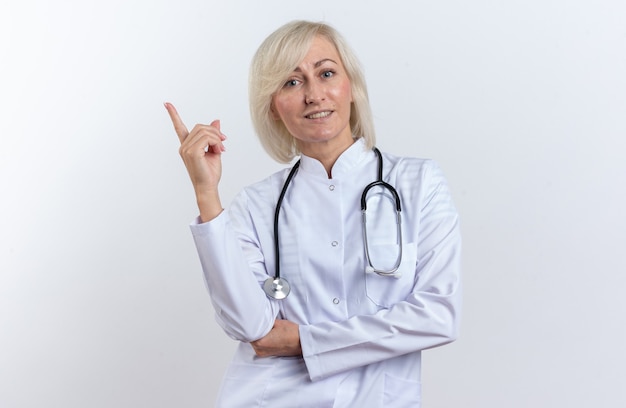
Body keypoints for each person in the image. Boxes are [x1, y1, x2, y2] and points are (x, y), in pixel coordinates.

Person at [165, 20, 461, 408]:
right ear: (273, 106)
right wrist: (206, 194)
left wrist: (305, 341)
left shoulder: (419, 183)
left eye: (326, 73)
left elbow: (438, 316)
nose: (314, 95)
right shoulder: (256, 206)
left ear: (350, 87)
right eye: (291, 82)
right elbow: (251, 327)